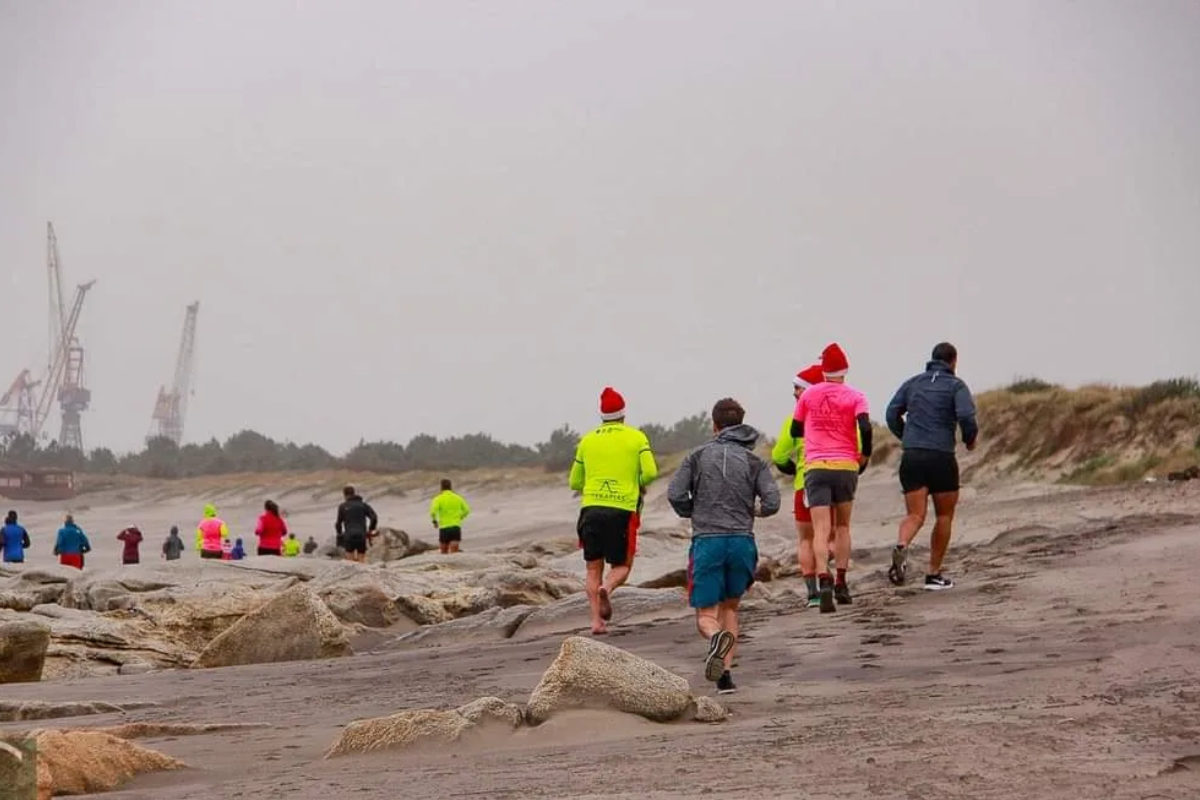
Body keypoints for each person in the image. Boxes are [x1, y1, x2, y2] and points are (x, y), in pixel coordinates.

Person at [667, 398, 780, 694]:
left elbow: (675, 493)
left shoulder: (698, 456)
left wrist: (691, 510)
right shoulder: (754, 460)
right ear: (741, 423)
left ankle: (715, 640)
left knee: (707, 614)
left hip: (708, 541)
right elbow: (772, 502)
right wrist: (750, 511)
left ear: (714, 425)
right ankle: (725, 677)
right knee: (731, 607)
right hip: (742, 541)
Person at [884, 342, 979, 591]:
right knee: (944, 515)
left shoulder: (913, 383)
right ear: (954, 361)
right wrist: (969, 439)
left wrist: (905, 435)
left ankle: (902, 545)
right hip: (940, 456)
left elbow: (892, 412)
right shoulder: (956, 385)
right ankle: (933, 574)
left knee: (914, 515)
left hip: (912, 456)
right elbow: (967, 416)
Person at [568, 386, 659, 635]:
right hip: (622, 510)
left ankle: (596, 622)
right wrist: (634, 481)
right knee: (622, 566)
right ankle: (607, 588)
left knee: (592, 568)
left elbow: (574, 482)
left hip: (590, 509)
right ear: (623, 414)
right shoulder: (637, 438)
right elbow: (651, 473)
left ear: (601, 415)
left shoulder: (587, 440)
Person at [791, 342, 872, 613]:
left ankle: (822, 578)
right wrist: (865, 454)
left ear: (823, 370)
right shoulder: (856, 396)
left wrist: (815, 434)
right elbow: (865, 426)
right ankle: (841, 583)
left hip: (816, 466)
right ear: (845, 370)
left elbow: (795, 429)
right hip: (846, 465)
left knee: (821, 529)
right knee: (844, 527)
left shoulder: (808, 395)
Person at [772, 363, 830, 608]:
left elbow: (778, 456)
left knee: (806, 539)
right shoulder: (838, 412)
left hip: (806, 482)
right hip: (838, 477)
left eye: (798, 388)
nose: (794, 393)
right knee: (832, 534)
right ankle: (835, 583)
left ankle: (813, 593)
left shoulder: (795, 418)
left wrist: (794, 467)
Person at [335, 486, 378, 563]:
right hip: (361, 535)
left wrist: (339, 534)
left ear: (344, 495)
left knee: (350, 560)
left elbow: (338, 523)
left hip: (349, 535)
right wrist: (371, 529)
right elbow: (374, 517)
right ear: (354, 493)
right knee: (361, 559)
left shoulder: (343, 506)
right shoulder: (363, 505)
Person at [429, 478, 471, 554]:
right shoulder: (458, 497)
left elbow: (432, 512)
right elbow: (467, 510)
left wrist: (434, 521)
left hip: (444, 527)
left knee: (444, 553)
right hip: (455, 526)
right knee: (454, 552)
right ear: (450, 486)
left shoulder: (438, 498)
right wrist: (460, 517)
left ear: (441, 487)